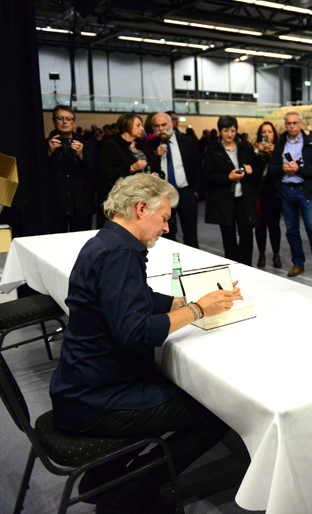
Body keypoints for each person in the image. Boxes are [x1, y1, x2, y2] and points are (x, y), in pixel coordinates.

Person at [49, 174, 238, 514]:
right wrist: (197, 309)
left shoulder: (106, 243)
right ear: (141, 209)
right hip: (98, 399)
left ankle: (101, 479)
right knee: (216, 411)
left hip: (81, 385)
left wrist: (178, 303)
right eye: (164, 218)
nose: (166, 227)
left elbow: (137, 298)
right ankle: (128, 494)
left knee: (178, 387)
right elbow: (135, 331)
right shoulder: (119, 254)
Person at [269, 112, 312, 278]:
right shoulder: (280, 144)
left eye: (294, 123)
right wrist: (282, 169)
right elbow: (272, 167)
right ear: (285, 125)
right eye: (289, 123)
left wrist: (298, 170)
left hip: (304, 191)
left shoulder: (311, 144)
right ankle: (297, 263)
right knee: (291, 230)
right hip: (286, 190)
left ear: (300, 124)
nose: (292, 126)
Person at [203, 116, 258, 265]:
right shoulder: (213, 150)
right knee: (228, 235)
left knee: (247, 234)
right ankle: (233, 265)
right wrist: (227, 177)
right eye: (226, 131)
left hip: (244, 198)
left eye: (233, 131)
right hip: (224, 200)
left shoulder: (245, 146)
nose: (229, 134)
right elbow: (207, 176)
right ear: (220, 131)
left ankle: (246, 265)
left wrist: (251, 170)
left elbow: (256, 170)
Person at [98, 113, 160, 227]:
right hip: (122, 202)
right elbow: (105, 173)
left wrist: (155, 174)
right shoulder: (111, 145)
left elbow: (154, 166)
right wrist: (131, 168)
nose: (142, 128)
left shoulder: (142, 146)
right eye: (138, 125)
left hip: (144, 198)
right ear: (127, 125)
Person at [151, 112, 202, 248]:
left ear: (171, 124)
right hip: (163, 196)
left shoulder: (188, 142)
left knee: (190, 234)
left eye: (164, 125)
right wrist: (155, 155)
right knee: (166, 234)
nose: (161, 128)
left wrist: (195, 192)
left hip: (186, 193)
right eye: (157, 126)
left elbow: (198, 167)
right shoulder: (150, 146)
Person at [46, 105, 96, 232]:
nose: (64, 122)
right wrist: (49, 153)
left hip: (81, 206)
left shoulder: (85, 145)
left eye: (68, 119)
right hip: (55, 206)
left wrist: (81, 156)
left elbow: (94, 173)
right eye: (60, 118)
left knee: (81, 245)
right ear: (53, 121)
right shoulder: (45, 144)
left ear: (74, 123)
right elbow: (38, 174)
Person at [254, 122, 283, 268]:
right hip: (259, 194)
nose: (266, 135)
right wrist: (257, 152)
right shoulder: (254, 150)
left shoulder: (279, 149)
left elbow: (279, 171)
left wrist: (274, 155)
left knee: (274, 226)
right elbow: (253, 170)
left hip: (274, 194)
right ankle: (262, 254)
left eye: (269, 132)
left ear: (274, 134)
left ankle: (276, 254)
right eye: (263, 132)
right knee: (260, 226)